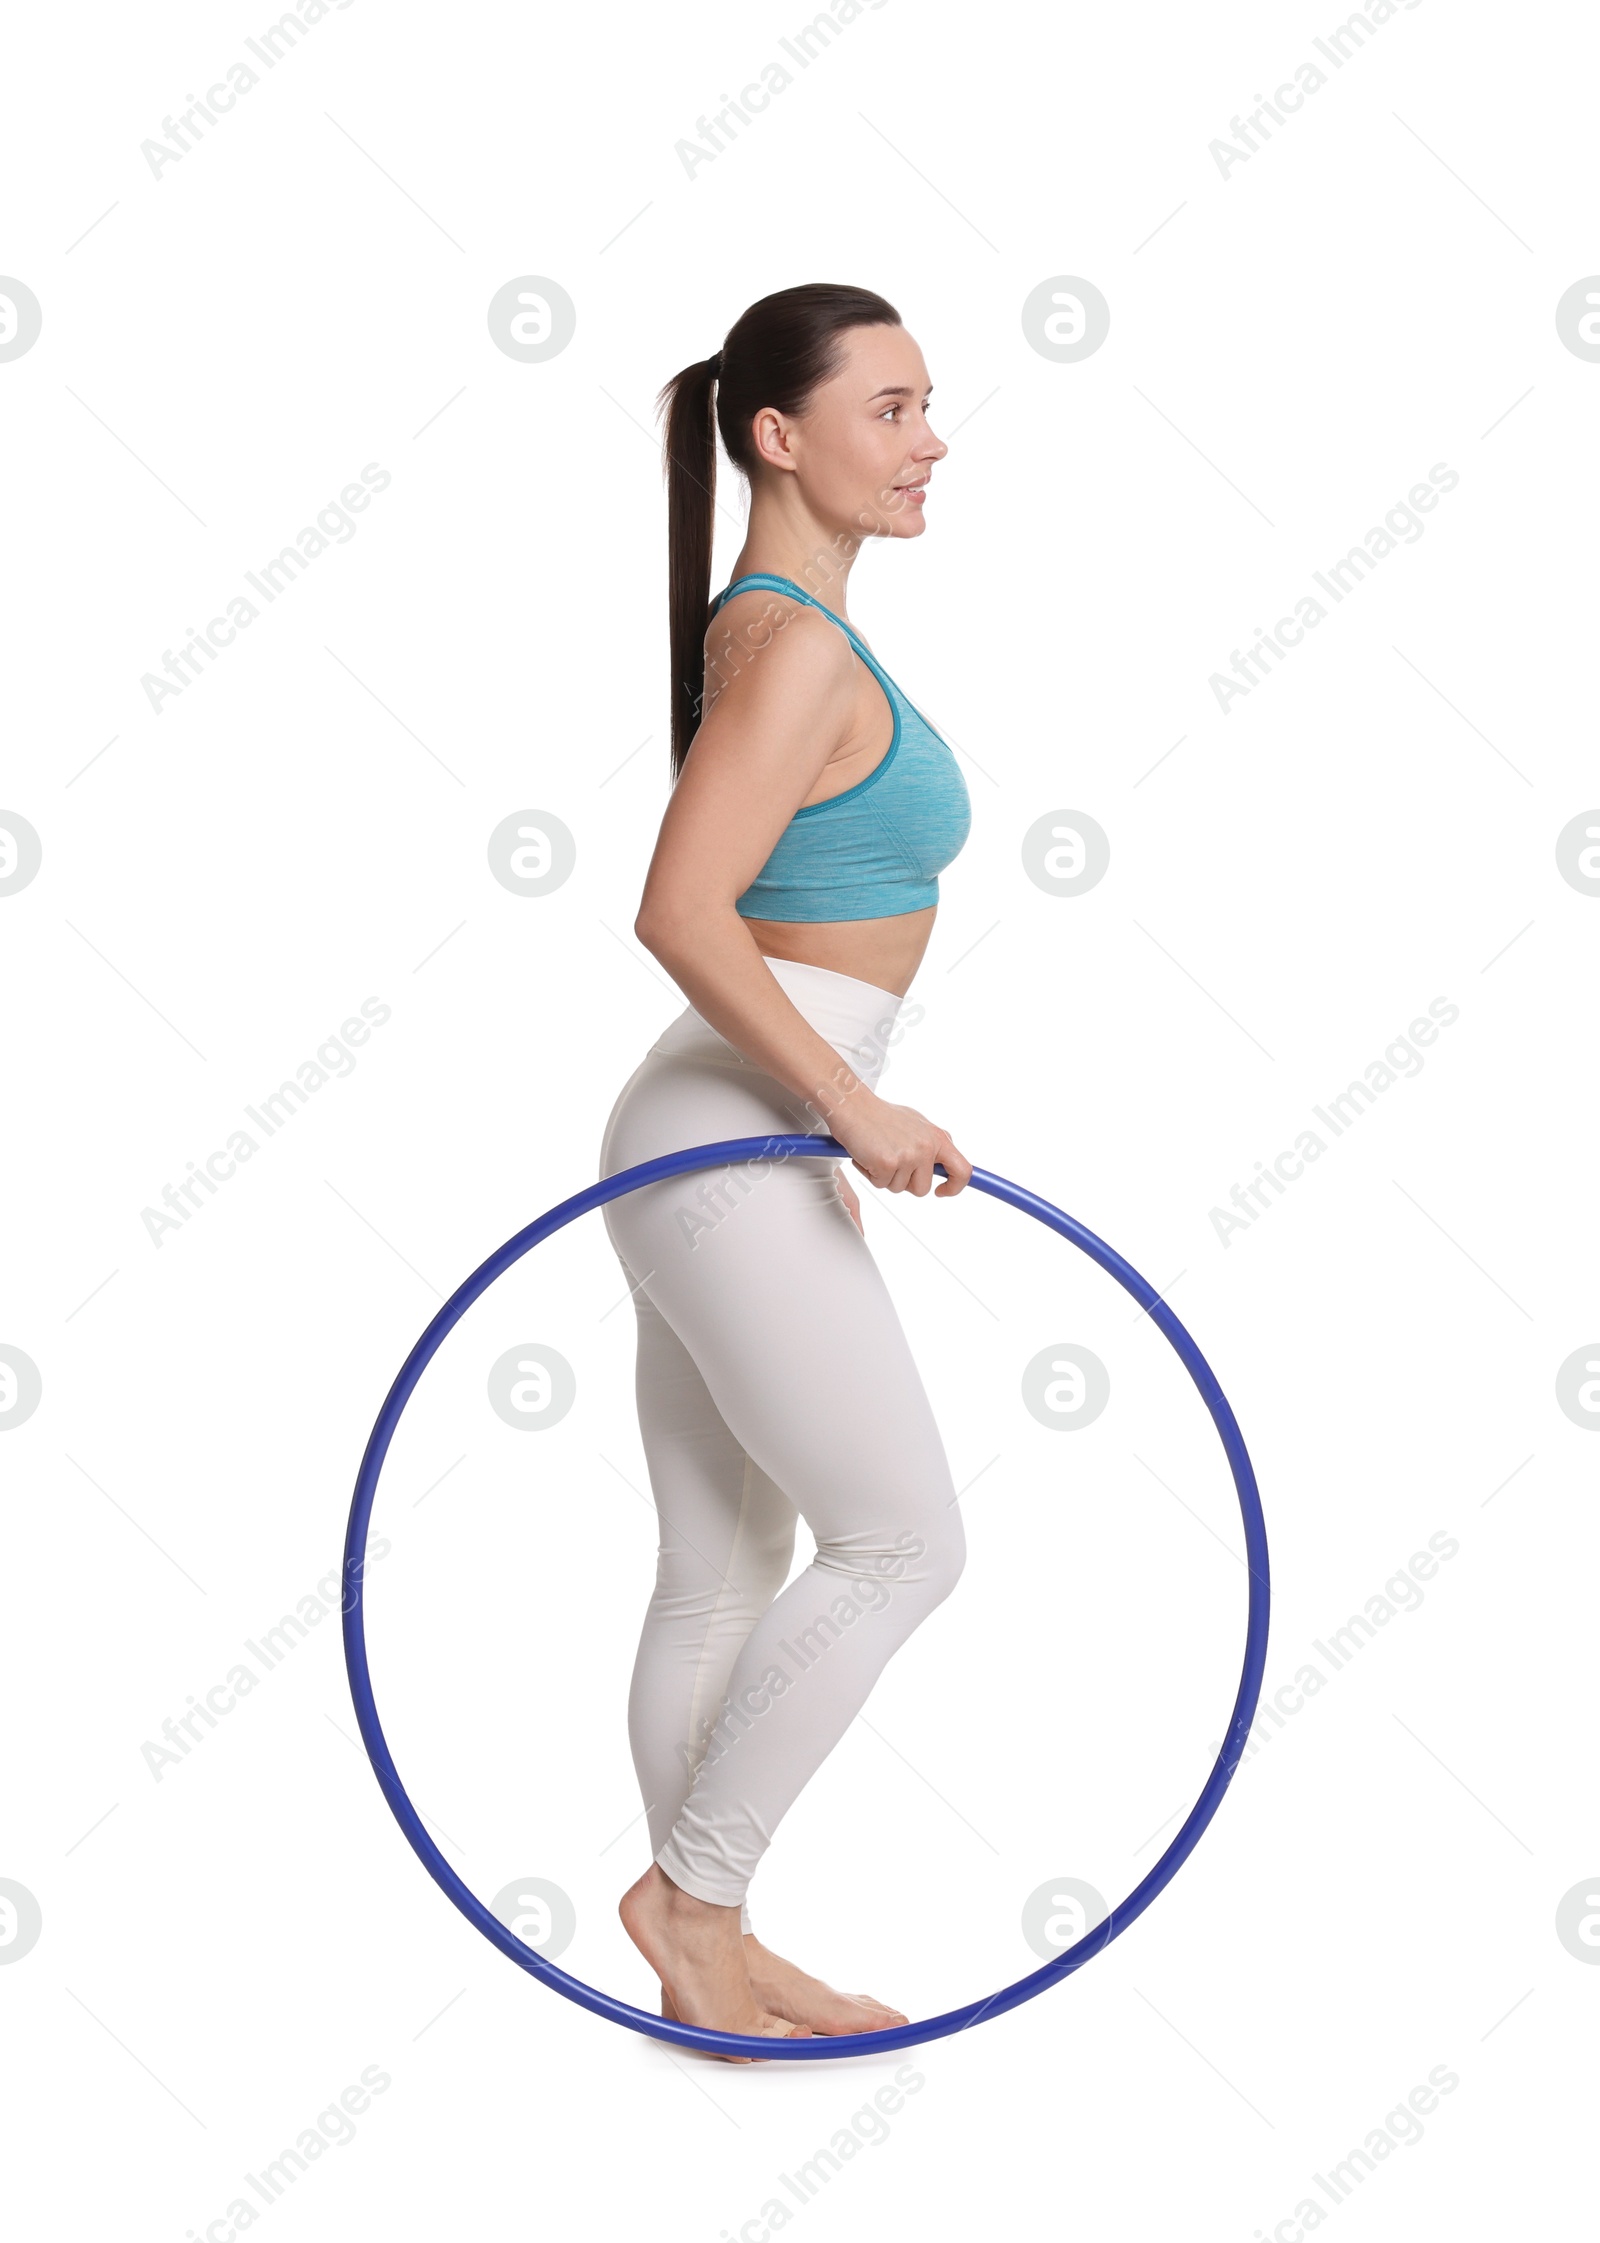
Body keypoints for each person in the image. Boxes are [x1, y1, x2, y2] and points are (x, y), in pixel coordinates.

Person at [601, 282, 974, 2058]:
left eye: (925, 409)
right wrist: (845, 1103)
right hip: (733, 1130)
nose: (931, 443)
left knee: (718, 1568)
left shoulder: (786, 630)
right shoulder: (795, 641)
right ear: (780, 435)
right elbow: (679, 912)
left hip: (713, 1129)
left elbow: (739, 911)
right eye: (891, 409)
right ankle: (700, 1904)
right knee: (905, 1541)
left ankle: (720, 1954)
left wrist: (808, 1107)